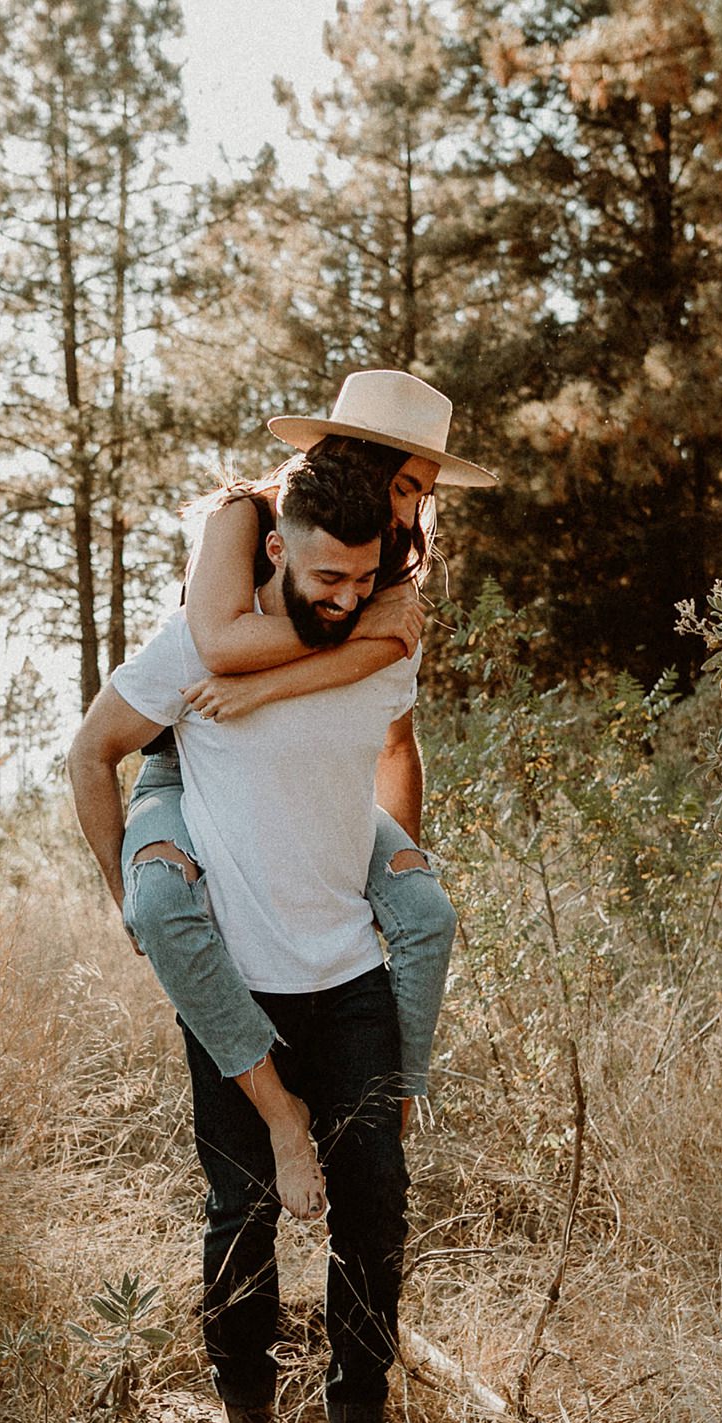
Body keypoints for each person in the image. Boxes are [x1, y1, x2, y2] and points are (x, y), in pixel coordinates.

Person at [67, 444, 448, 1423]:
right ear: (275, 548)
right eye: (322, 577)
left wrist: (395, 859)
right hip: (241, 981)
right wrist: (127, 895)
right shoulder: (197, 645)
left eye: (360, 580)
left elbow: (393, 748)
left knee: (375, 1209)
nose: (341, 598)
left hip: (351, 972)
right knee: (241, 1213)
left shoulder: (381, 638)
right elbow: (91, 751)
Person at [118, 372, 497, 1208]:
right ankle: (275, 1107)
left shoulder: (388, 554)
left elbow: (388, 660)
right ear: (356, 457)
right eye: (402, 484)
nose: (408, 513)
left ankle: (392, 1102)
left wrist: (382, 867)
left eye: (422, 494)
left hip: (289, 764)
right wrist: (291, 665)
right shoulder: (244, 519)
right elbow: (218, 641)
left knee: (427, 914)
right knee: (159, 903)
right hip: (188, 759)